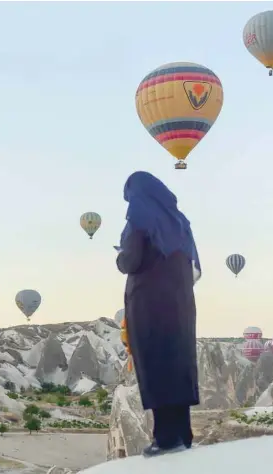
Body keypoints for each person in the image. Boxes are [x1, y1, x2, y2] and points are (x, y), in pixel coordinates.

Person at [115, 171, 200, 457]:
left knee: (156, 366)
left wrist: (119, 255)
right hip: (180, 308)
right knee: (176, 365)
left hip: (149, 306)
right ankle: (183, 435)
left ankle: (165, 438)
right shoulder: (179, 222)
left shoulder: (139, 218)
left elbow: (131, 260)